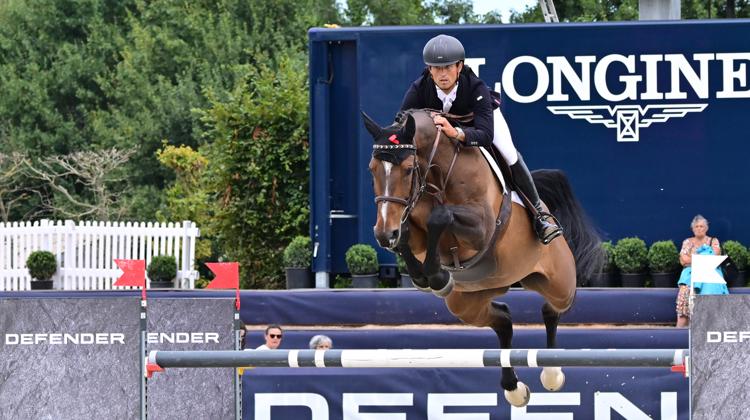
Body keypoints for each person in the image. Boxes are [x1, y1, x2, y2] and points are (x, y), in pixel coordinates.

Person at [399, 34, 562, 244]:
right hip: (446, 130)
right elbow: (402, 122)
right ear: (429, 69)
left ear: (459, 66)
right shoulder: (420, 87)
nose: (442, 74)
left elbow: (485, 135)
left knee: (509, 154)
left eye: (448, 67)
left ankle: (540, 216)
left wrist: (457, 133)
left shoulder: (477, 88)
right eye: (436, 68)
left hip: (479, 123)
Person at [675, 214, 728, 327]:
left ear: (706, 228)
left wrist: (692, 258)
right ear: (693, 229)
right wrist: (703, 259)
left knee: (710, 289)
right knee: (685, 294)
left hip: (709, 274)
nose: (699, 229)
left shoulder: (713, 241)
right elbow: (683, 260)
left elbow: (714, 256)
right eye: (696, 226)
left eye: (702, 226)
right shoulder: (687, 242)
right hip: (689, 274)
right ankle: (678, 337)